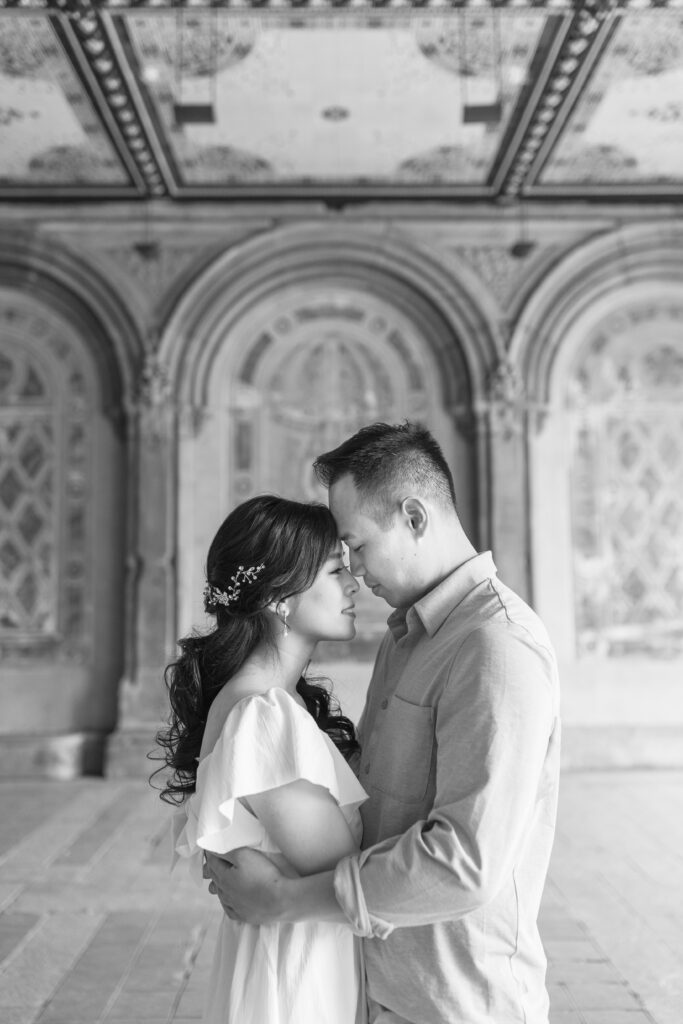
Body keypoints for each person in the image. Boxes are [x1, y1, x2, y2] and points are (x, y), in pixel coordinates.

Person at [205, 422, 562, 1024]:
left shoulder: (496, 645)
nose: (354, 572)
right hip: (377, 985)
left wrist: (281, 897)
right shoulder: (403, 639)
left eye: (357, 546)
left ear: (415, 518)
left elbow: (465, 862)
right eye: (337, 560)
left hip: (455, 999)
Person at [156, 495, 368, 1024]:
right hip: (299, 974)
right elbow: (346, 869)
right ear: (279, 598)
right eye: (336, 570)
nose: (353, 584)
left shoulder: (269, 701)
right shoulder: (262, 715)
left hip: (299, 952)